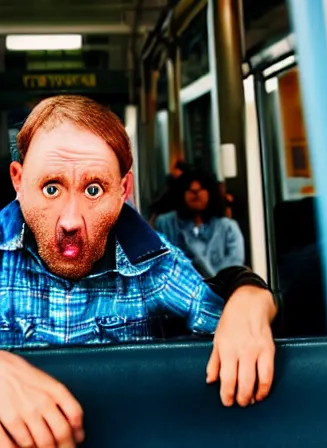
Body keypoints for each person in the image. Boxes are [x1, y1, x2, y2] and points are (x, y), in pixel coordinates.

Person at [0, 95, 277, 448]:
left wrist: (251, 296)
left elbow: (236, 324)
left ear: (123, 191)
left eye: (94, 189)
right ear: (18, 182)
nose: (70, 220)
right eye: (51, 188)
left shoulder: (155, 267)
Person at [155, 169, 244, 277]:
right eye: (189, 188)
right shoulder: (166, 224)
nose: (195, 190)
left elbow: (234, 265)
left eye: (202, 188)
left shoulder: (228, 228)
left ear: (211, 193)